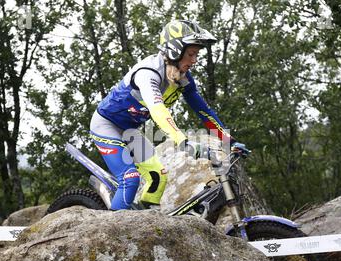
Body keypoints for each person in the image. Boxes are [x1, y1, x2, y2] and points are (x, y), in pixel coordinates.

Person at [90, 19, 249, 210]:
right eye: (191, 54)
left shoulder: (182, 77)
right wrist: (182, 140)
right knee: (130, 179)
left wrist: (228, 141)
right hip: (105, 125)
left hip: (129, 130)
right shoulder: (148, 73)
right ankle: (112, 234)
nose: (194, 60)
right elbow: (158, 109)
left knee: (158, 176)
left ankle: (147, 220)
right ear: (175, 51)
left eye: (196, 55)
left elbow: (203, 112)